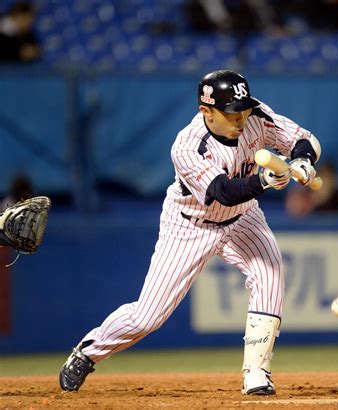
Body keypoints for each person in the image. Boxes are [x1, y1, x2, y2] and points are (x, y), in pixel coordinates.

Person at [59, 70, 321, 395]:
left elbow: (304, 139)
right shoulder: (188, 146)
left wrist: (303, 161)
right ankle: (88, 350)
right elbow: (224, 192)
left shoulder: (255, 115)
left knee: (270, 272)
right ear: (206, 111)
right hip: (191, 224)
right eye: (230, 111)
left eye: (243, 107)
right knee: (147, 317)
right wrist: (264, 181)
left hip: (243, 218)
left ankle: (257, 373)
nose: (240, 117)